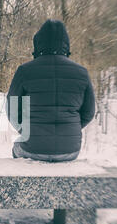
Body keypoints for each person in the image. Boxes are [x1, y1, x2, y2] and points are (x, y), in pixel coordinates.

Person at [7, 20, 95, 162]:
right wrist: (72, 128)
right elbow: (89, 113)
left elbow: (12, 110)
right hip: (70, 150)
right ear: (66, 44)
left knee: (17, 147)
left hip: (32, 148)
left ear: (38, 43)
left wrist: (26, 131)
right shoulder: (82, 73)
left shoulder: (24, 71)